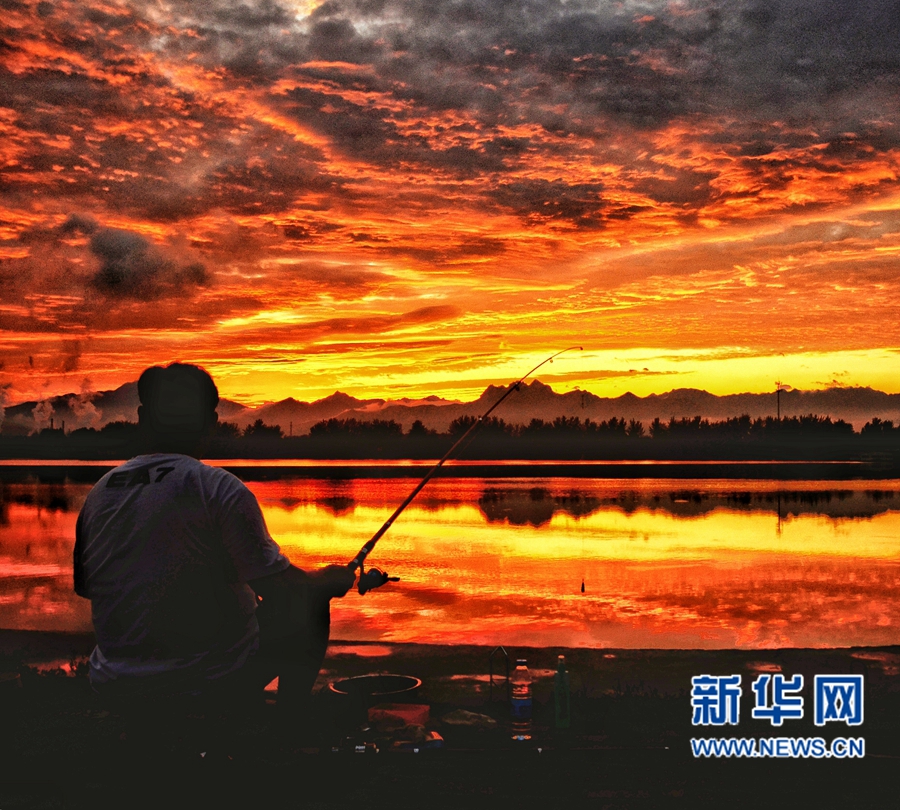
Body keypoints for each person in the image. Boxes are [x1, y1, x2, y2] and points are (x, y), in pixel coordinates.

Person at [73, 362, 356, 725]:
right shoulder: (218, 488)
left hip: (114, 683)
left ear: (143, 417)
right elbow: (285, 592)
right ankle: (290, 726)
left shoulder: (99, 493)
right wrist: (327, 582)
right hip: (203, 683)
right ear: (210, 421)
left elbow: (86, 588)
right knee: (309, 603)